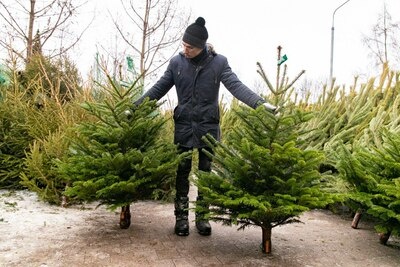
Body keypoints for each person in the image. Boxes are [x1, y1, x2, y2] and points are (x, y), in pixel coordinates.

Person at [134, 17, 276, 236]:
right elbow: (158, 88)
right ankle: (181, 218)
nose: (185, 50)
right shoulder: (176, 63)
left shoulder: (219, 63)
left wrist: (259, 103)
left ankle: (202, 218)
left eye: (189, 47)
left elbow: (236, 86)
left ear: (201, 47)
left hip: (208, 127)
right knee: (182, 172)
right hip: (183, 126)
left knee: (205, 174)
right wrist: (135, 108)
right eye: (183, 45)